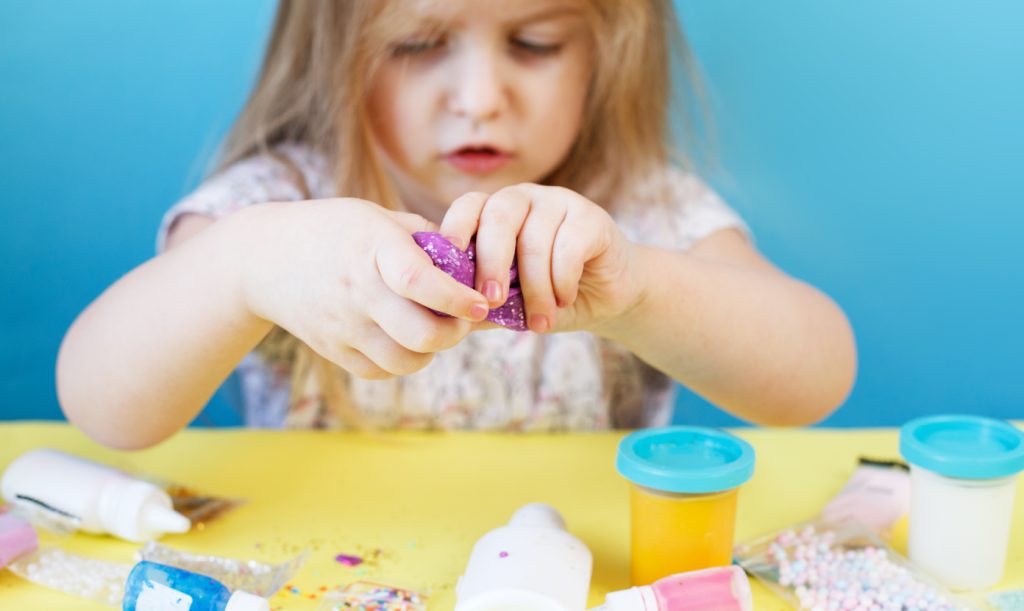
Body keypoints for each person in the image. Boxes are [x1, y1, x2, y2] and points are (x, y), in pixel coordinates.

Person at [57, 0, 856, 449]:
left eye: (535, 44)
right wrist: (241, 266)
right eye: (419, 44)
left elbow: (816, 375)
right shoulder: (281, 202)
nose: (478, 97)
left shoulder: (636, 205)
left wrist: (643, 288)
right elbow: (100, 405)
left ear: (606, 50)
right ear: (336, 54)